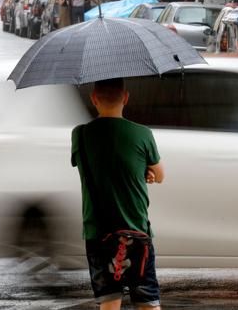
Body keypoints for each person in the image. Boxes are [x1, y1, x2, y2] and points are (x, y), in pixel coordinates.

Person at [71, 78, 164, 310]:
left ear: (94, 99)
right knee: (147, 301)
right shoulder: (142, 133)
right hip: (137, 231)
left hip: (98, 234)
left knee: (110, 302)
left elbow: (91, 164)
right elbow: (159, 175)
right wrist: (146, 172)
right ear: (126, 97)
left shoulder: (80, 135)